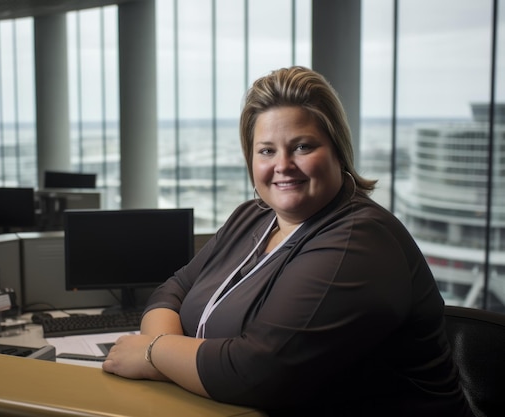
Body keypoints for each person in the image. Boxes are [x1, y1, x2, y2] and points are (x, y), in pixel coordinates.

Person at [102, 66, 473, 416]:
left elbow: (256, 371)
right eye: (266, 150)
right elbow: (173, 290)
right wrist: (169, 362)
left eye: (302, 147)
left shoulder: (358, 241)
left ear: (338, 151)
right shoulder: (253, 217)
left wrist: (151, 353)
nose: (282, 165)